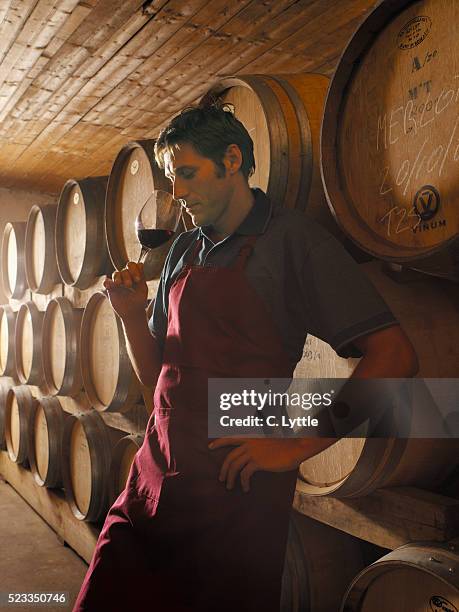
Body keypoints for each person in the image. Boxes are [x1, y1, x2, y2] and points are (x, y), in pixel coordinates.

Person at [73, 103, 418, 611]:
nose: (178, 195)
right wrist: (128, 315)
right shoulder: (181, 251)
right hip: (155, 478)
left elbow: (394, 356)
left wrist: (295, 446)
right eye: (171, 179)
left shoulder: (294, 241)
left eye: (187, 175)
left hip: (237, 494)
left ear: (232, 159)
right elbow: (156, 376)